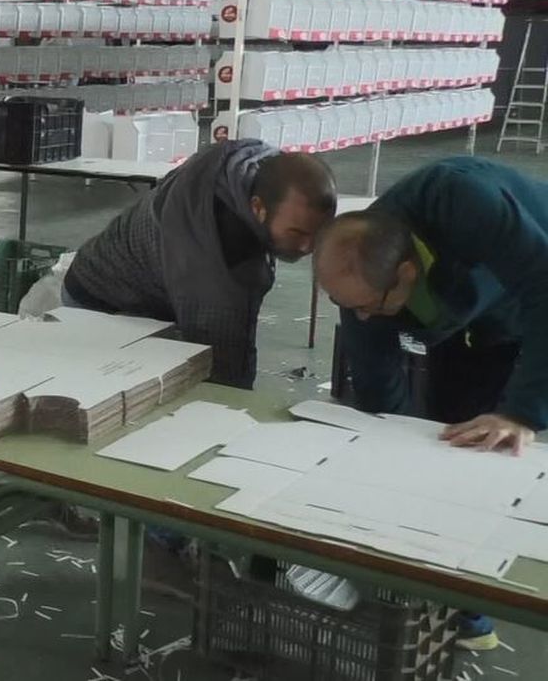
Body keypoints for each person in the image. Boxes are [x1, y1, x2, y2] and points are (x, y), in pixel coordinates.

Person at [314, 157, 548, 651]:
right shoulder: (364, 261)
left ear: (406, 273)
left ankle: (475, 605)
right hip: (470, 315)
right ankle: (441, 586)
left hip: (532, 288)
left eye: (368, 305)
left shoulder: (465, 203)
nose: (360, 316)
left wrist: (522, 412)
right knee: (450, 440)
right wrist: (389, 439)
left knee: (499, 449)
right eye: (347, 305)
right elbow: (375, 376)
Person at [64, 141, 337, 388]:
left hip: (138, 288)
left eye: (319, 233)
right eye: (297, 233)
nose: (308, 247)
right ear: (257, 208)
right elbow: (223, 369)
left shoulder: (247, 165)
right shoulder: (221, 253)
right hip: (100, 305)